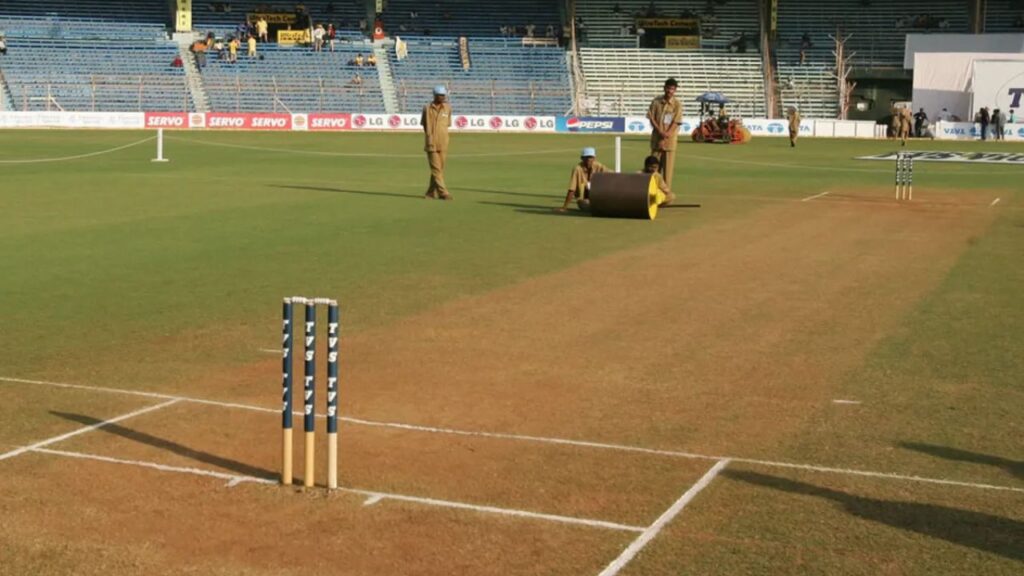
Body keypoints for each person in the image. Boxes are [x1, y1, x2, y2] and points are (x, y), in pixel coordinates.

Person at [647, 78, 682, 190]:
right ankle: (651, 192)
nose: (670, 91)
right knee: (652, 169)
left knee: (667, 172)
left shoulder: (677, 105)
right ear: (664, 88)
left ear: (675, 90)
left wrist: (666, 134)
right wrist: (660, 131)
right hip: (657, 141)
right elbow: (651, 118)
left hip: (669, 143)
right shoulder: (656, 101)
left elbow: (676, 122)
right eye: (668, 88)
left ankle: (665, 195)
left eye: (672, 89)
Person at [422, 86, 452, 200]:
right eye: (440, 95)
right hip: (431, 143)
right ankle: (443, 193)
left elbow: (447, 124)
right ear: (434, 95)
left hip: (444, 142)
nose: (443, 97)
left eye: (444, 95)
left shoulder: (448, 108)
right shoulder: (427, 108)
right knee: (436, 169)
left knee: (439, 169)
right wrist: (430, 136)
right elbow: (424, 124)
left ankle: (430, 192)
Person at [559, 148, 606, 212]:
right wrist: (564, 207)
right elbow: (572, 189)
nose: (589, 159)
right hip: (583, 198)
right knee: (588, 207)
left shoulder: (598, 165)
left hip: (597, 197)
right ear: (582, 158)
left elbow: (611, 173)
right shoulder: (577, 169)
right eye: (586, 157)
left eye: (591, 157)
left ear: (594, 158)